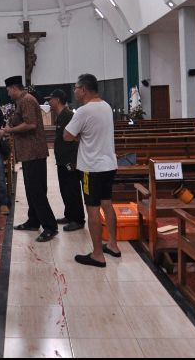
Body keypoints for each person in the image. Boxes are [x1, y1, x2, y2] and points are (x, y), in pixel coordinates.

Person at [64, 73, 119, 268]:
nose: (75, 91)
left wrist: (81, 137)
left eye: (76, 88)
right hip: (109, 164)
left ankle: (97, 254)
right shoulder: (106, 106)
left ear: (84, 89)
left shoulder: (83, 111)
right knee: (107, 204)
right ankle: (112, 244)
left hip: (91, 168)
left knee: (93, 210)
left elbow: (67, 136)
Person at [0, 76, 57, 242]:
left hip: (34, 151)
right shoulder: (22, 101)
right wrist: (6, 129)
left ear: (15, 88)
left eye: (8, 90)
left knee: (37, 190)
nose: (8, 94)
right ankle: (33, 221)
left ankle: (50, 226)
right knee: (31, 189)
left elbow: (31, 124)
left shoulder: (27, 100)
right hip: (29, 152)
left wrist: (9, 131)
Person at [45, 89, 85, 231]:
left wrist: (72, 160)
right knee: (65, 188)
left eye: (50, 99)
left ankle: (78, 219)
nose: (48, 102)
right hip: (62, 159)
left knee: (72, 189)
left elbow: (75, 137)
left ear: (57, 100)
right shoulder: (61, 115)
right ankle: (69, 215)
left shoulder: (68, 115)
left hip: (69, 159)